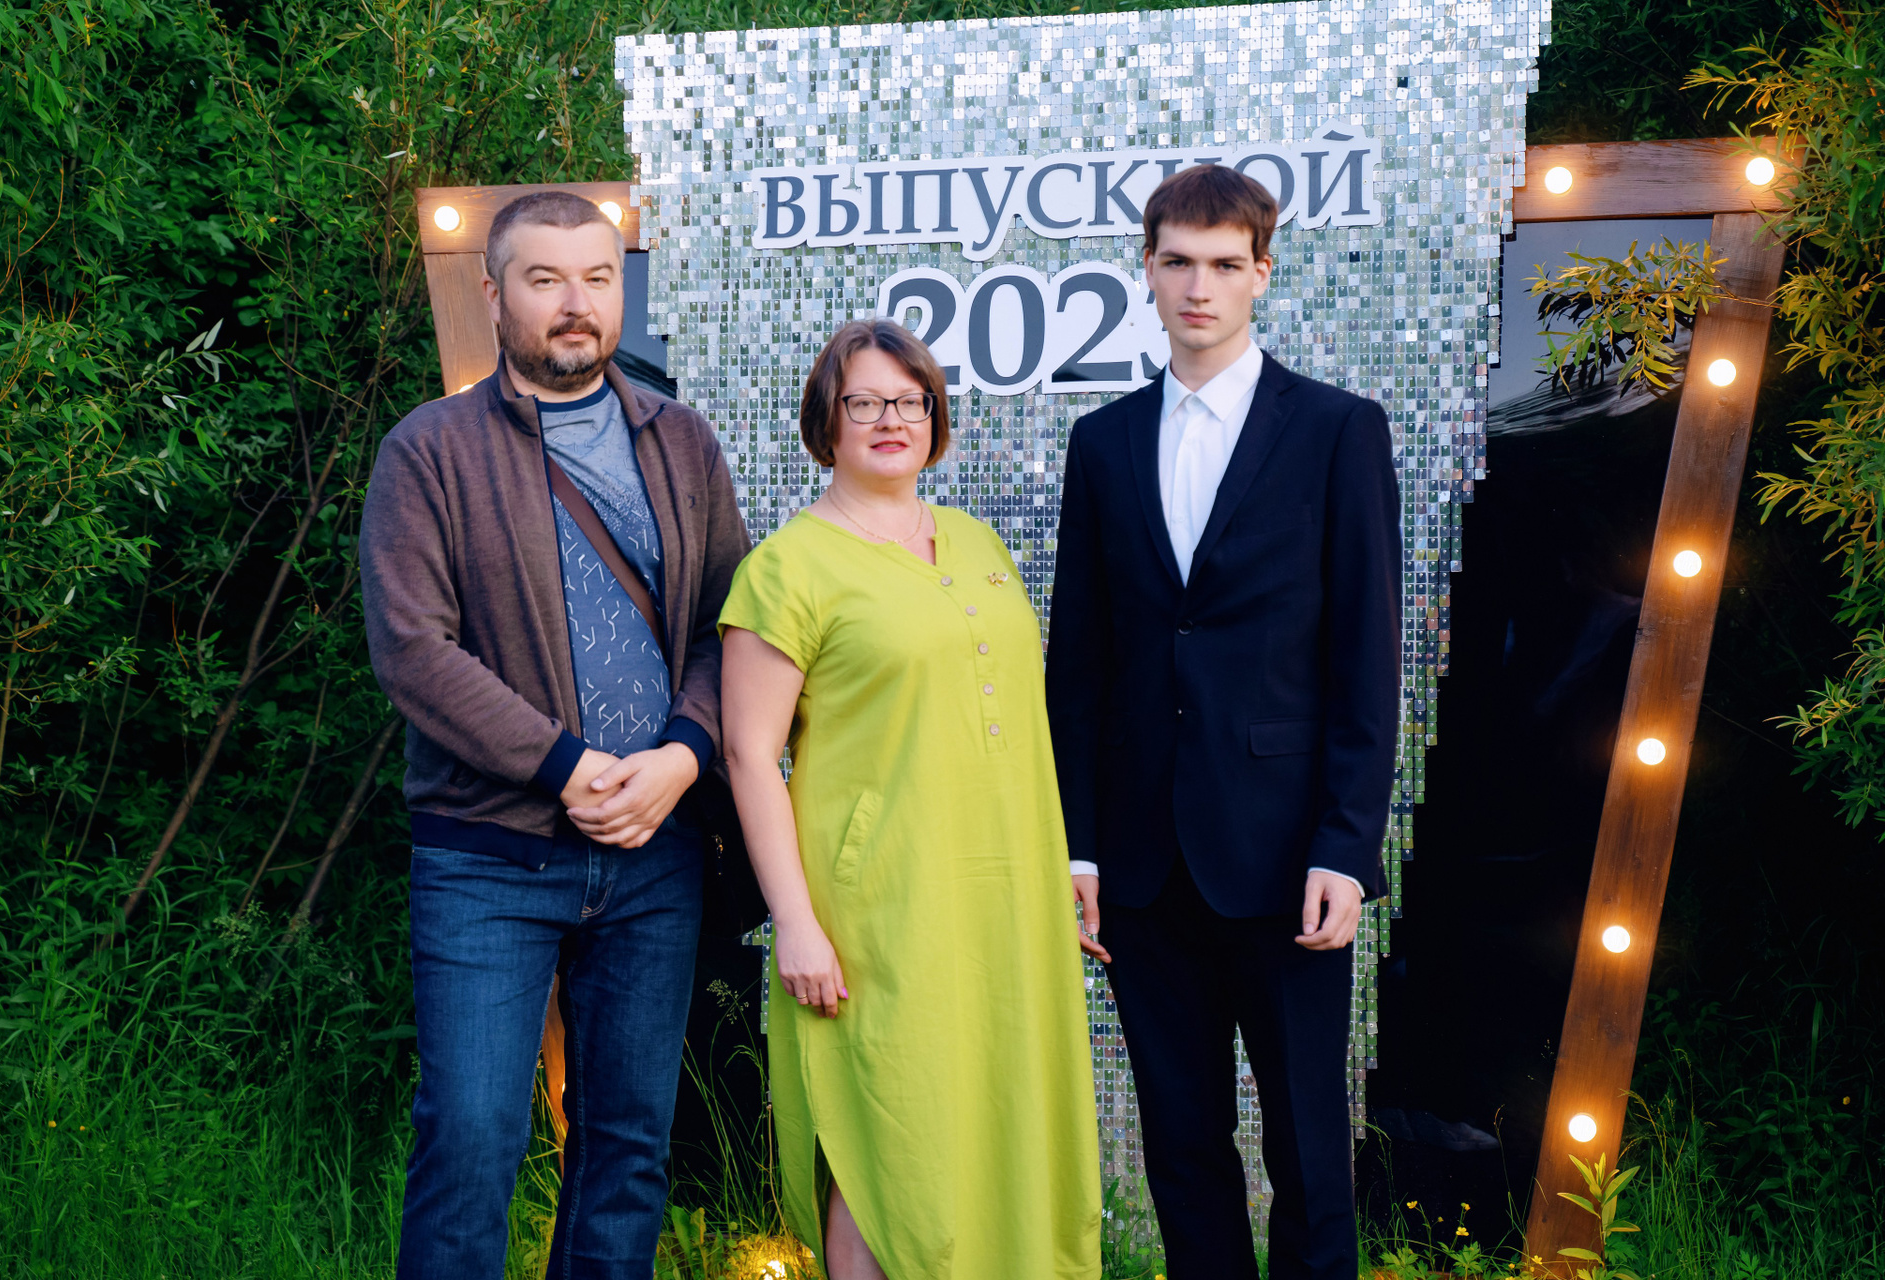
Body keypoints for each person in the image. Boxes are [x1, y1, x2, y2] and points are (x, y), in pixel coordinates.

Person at [360, 190, 750, 1279]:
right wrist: (564, 765)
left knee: (627, 1146)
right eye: (546, 280)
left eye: (597, 278)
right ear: (494, 295)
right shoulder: (429, 451)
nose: (576, 303)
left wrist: (683, 754)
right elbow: (414, 650)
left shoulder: (681, 442)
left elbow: (733, 627)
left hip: (656, 850)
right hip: (487, 854)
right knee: (472, 1135)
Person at [1046, 164, 1402, 1279]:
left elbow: (1367, 659)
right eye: (1177, 263)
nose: (1199, 286)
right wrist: (1079, 846)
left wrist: (1346, 847)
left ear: (1262, 273)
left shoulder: (1339, 431)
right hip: (1142, 869)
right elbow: (1080, 664)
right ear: (1147, 274)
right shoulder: (1102, 442)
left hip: (1289, 859)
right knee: (1182, 1146)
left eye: (1223, 264)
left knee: (1308, 1146)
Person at [718, 318, 1102, 1280]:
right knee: (885, 1135)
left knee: (997, 1113)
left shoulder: (976, 542)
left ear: (934, 417)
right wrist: (795, 922)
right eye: (865, 402)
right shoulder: (786, 570)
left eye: (910, 400)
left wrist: (1059, 862)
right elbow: (748, 755)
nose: (891, 419)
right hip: (878, 905)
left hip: (1004, 898)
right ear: (826, 422)